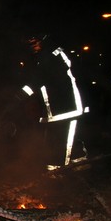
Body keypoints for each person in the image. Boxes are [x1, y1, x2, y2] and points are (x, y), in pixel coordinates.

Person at [20, 34, 90, 170]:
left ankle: (62, 167)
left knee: (65, 138)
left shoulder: (53, 54)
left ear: (42, 39)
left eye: (34, 42)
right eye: (29, 44)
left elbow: (40, 78)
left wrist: (21, 94)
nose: (32, 47)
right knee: (60, 137)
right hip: (54, 108)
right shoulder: (42, 57)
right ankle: (75, 163)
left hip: (66, 105)